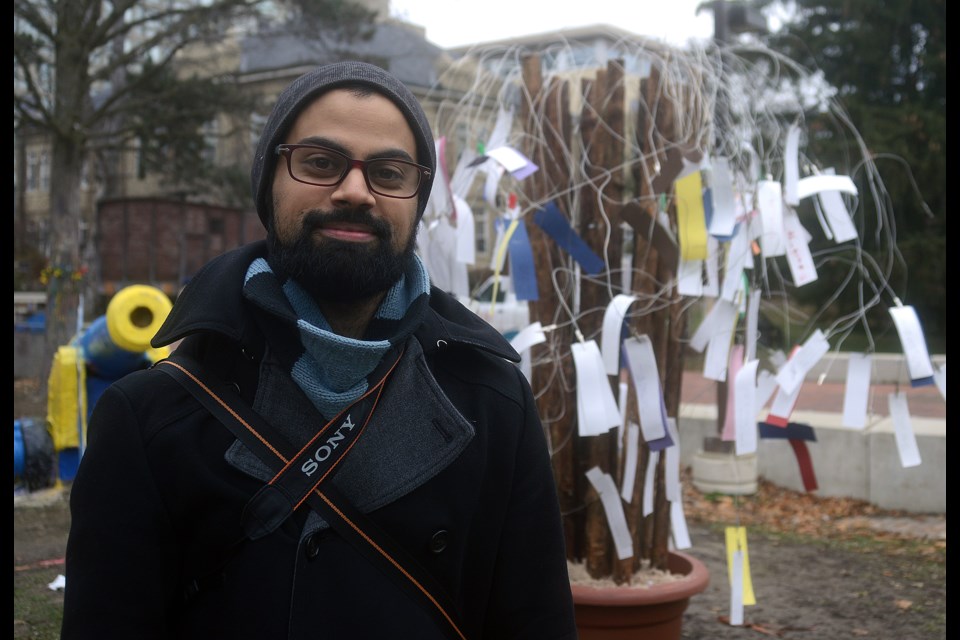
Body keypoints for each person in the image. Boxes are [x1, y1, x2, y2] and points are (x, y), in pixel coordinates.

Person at [61, 60, 577, 639]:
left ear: (418, 197)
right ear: (269, 184)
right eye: (320, 163)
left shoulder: (494, 405)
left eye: (389, 171)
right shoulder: (150, 417)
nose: (356, 191)